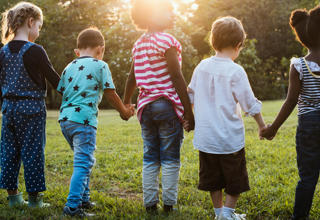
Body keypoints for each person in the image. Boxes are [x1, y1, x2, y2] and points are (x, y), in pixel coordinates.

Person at [261, 6, 320, 220]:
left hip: (308, 124)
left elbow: (291, 100)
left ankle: (300, 216)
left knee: (308, 177)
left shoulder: (299, 65)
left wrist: (273, 128)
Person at [187, 16, 266, 220]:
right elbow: (249, 102)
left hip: (206, 138)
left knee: (213, 178)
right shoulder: (235, 71)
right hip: (229, 139)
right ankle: (227, 214)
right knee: (235, 178)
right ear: (238, 45)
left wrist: (187, 118)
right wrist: (262, 126)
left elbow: (190, 96)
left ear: (213, 41)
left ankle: (219, 213)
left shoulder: (201, 67)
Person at [123, 0, 195, 214]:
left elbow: (132, 77)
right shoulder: (167, 41)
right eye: (166, 10)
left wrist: (127, 102)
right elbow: (176, 76)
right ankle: (169, 204)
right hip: (166, 105)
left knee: (150, 155)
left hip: (146, 109)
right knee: (171, 156)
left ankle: (150, 204)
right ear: (151, 15)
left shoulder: (138, 44)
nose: (172, 13)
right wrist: (189, 111)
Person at [59, 27, 134, 217]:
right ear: (101, 49)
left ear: (77, 51)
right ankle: (73, 206)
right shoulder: (100, 65)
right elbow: (110, 92)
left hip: (65, 121)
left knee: (82, 159)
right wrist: (124, 111)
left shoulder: (68, 66)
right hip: (84, 121)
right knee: (83, 163)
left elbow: (62, 89)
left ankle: (84, 198)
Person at [0, 1, 61, 208]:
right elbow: (56, 81)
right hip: (32, 109)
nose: (38, 31)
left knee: (9, 152)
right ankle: (35, 200)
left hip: (8, 110)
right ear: (30, 21)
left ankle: (14, 198)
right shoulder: (35, 50)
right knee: (33, 152)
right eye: (39, 27)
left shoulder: (3, 52)